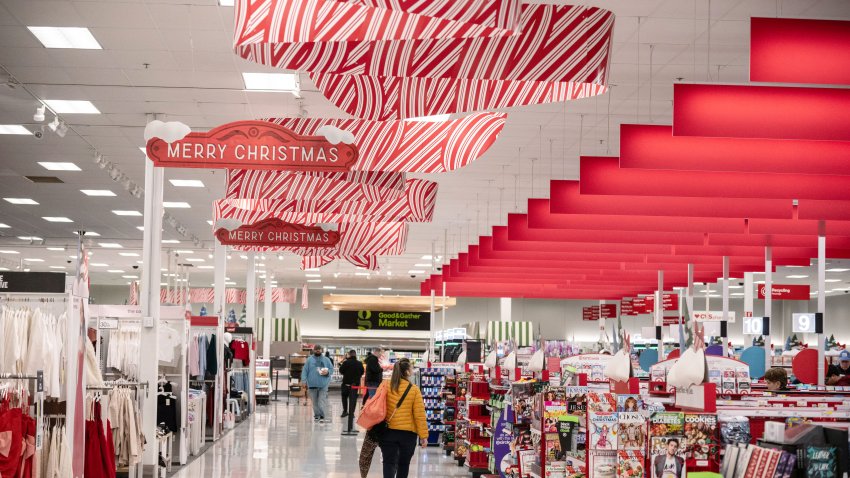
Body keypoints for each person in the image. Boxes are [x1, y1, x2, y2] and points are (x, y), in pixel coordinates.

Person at [379, 359, 428, 478]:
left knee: (388, 463)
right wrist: (423, 436)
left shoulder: (385, 385)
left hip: (387, 432)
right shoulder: (414, 389)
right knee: (403, 464)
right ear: (407, 372)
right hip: (408, 435)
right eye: (411, 368)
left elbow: (377, 407)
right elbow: (419, 415)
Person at [301, 344, 333, 423]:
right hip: (312, 385)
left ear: (321, 350)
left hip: (323, 385)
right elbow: (305, 371)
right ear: (314, 350)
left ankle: (322, 415)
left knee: (320, 401)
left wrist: (328, 372)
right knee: (315, 403)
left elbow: (331, 369)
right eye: (316, 349)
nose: (318, 351)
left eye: (319, 349)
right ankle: (316, 415)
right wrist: (304, 381)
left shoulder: (326, 360)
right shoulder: (309, 360)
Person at [339, 349, 364, 417]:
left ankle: (345, 411)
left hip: (346, 384)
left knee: (344, 398)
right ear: (355, 355)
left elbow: (341, 371)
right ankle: (351, 413)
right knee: (353, 399)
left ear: (349, 355)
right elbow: (362, 372)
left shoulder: (346, 362)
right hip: (355, 385)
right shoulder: (359, 363)